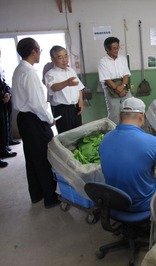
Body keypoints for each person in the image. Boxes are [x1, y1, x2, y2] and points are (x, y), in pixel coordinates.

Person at [99, 97, 156, 233]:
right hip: (141, 204)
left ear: (120, 116)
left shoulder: (106, 138)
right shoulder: (153, 142)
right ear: (142, 117)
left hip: (114, 201)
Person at [12, 37, 59, 208]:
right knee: (43, 158)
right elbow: (36, 103)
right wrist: (49, 119)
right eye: (39, 49)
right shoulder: (30, 73)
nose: (40, 53)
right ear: (33, 51)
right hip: (34, 119)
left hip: (24, 119)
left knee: (32, 158)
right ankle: (50, 197)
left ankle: (37, 194)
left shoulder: (19, 69)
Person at [45, 46, 84, 133]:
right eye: (60, 57)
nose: (64, 60)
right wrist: (66, 83)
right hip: (62, 109)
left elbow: (79, 87)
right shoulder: (50, 74)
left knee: (78, 133)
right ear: (53, 59)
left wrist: (80, 101)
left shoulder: (71, 71)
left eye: (66, 56)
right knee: (66, 136)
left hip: (75, 108)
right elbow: (53, 87)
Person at [98, 36, 131, 124]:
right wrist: (118, 89)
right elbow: (107, 79)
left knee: (129, 109)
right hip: (111, 88)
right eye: (114, 48)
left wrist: (123, 87)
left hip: (123, 86)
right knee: (114, 113)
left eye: (117, 48)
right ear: (107, 49)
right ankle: (114, 132)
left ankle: (128, 130)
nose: (116, 50)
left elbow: (126, 74)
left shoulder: (122, 59)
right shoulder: (103, 61)